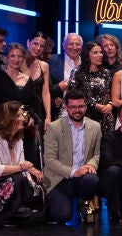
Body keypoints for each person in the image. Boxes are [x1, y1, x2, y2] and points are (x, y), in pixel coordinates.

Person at [42, 90, 102, 225]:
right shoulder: (54, 127)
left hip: (82, 177)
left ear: (85, 106)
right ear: (66, 107)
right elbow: (49, 159)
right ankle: (49, 206)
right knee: (63, 216)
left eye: (80, 106)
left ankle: (83, 202)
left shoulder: (95, 126)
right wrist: (73, 172)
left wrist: (91, 164)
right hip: (59, 178)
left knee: (92, 180)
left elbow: (97, 154)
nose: (77, 110)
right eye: (73, 107)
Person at [0, 43, 47, 166]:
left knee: (27, 162)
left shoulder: (28, 80)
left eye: (20, 56)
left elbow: (30, 105)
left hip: (24, 129)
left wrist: (26, 118)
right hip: (3, 127)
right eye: (12, 56)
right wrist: (12, 120)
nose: (16, 59)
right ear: (5, 58)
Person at [67, 41, 115, 133]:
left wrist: (110, 104)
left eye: (100, 52)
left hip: (105, 118)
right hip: (85, 117)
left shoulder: (106, 73)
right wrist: (93, 105)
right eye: (95, 52)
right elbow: (72, 95)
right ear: (87, 55)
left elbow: (110, 94)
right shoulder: (78, 72)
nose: (100, 55)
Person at [49, 32, 83, 102]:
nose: (74, 47)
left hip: (83, 106)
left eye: (77, 44)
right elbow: (42, 90)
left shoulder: (86, 63)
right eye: (71, 44)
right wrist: (58, 88)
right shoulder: (51, 61)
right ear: (63, 45)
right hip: (61, 107)